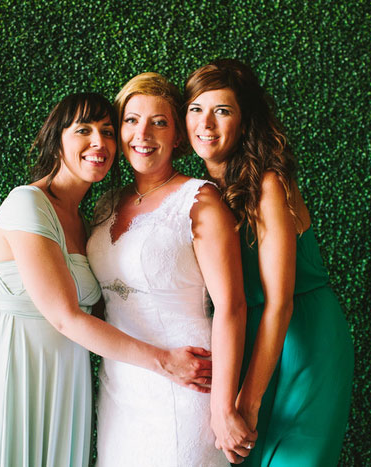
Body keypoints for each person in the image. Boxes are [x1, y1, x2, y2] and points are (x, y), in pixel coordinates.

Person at [0, 92, 214, 467]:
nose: (99, 142)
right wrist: (165, 361)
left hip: (64, 390)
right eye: (84, 130)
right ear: (57, 140)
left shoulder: (90, 223)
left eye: (107, 131)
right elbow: (65, 317)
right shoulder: (26, 203)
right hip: (7, 382)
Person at [184, 59, 354, 466]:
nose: (205, 123)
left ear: (245, 121)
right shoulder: (204, 192)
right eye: (195, 109)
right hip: (247, 339)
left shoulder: (268, 183)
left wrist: (249, 399)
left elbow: (280, 301)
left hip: (302, 338)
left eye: (222, 110)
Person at [86, 73, 257, 466]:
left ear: (178, 136)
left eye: (159, 122)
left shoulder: (199, 199)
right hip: (120, 388)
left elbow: (232, 306)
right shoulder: (106, 205)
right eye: (131, 120)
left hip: (189, 382)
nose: (142, 133)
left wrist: (222, 406)